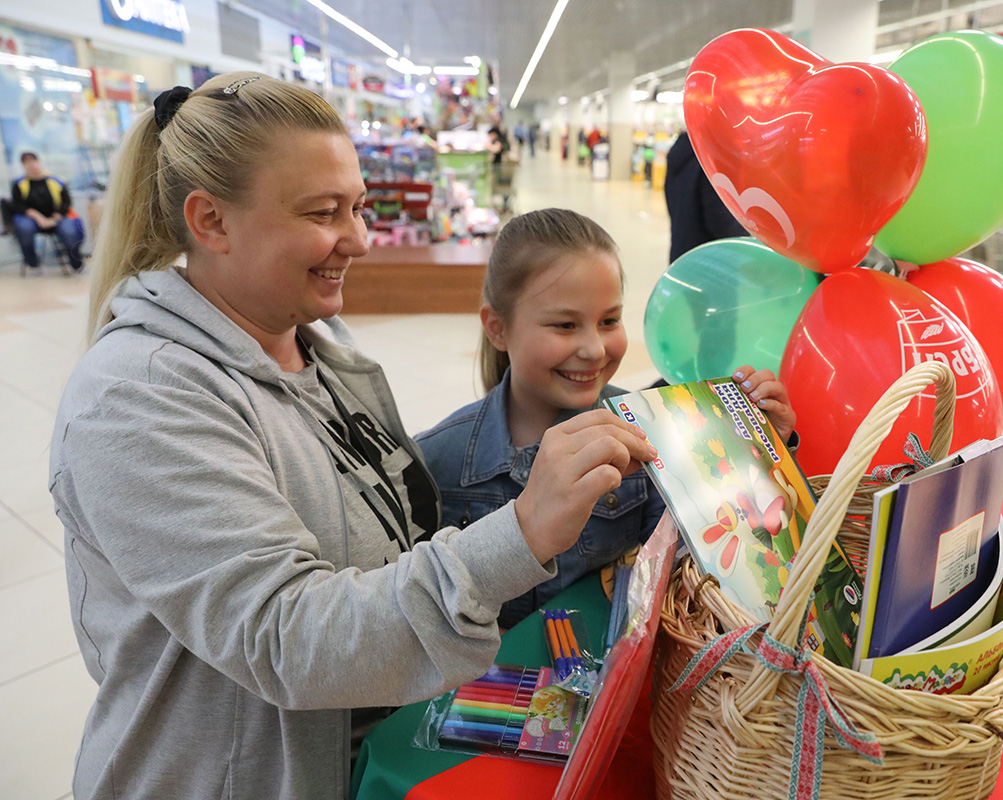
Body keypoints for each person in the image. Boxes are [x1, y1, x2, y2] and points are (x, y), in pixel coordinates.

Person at [47, 73, 655, 800]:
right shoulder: (137, 397)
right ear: (211, 221)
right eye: (323, 212)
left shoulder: (317, 348)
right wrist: (519, 532)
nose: (360, 239)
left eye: (359, 208)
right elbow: (288, 638)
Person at [415, 208, 795, 628]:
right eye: (565, 325)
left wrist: (756, 454)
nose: (594, 349)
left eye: (609, 320)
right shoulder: (436, 462)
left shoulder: (652, 432)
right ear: (498, 328)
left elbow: (702, 569)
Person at [664, 131, 747, 262]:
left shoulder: (681, 151)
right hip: (712, 262)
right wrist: (749, 234)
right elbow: (720, 222)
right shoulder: (714, 154)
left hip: (682, 254)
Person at [10, 151, 86, 271]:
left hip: (57, 218)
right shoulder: (19, 184)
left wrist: (55, 217)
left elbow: (66, 202)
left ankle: (76, 264)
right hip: (32, 219)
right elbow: (18, 205)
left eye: (33, 161)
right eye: (26, 163)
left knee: (70, 231)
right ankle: (33, 263)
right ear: (23, 165)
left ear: (38, 162)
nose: (31, 165)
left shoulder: (56, 180)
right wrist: (38, 217)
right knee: (24, 228)